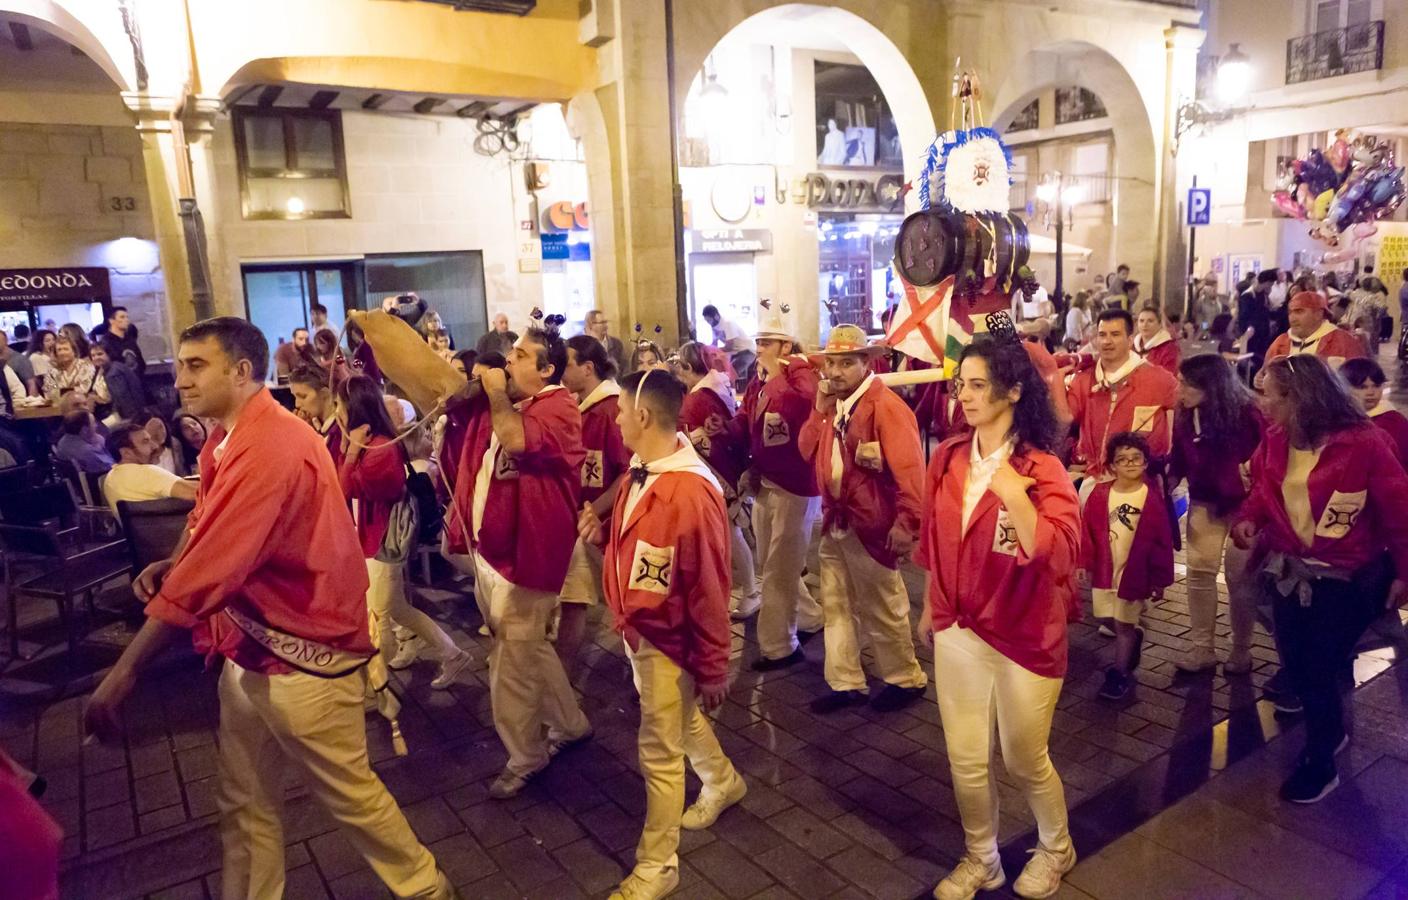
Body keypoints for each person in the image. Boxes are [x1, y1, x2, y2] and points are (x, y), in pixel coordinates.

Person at [82, 317, 454, 899]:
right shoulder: (229, 436)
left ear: (242, 371)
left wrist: (127, 668)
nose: (180, 380)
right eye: (181, 365)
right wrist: (174, 562)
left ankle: (426, 887)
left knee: (350, 794)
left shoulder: (270, 444)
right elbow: (206, 522)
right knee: (246, 797)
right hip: (253, 645)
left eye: (196, 365)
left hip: (307, 653)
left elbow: (216, 561)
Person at [917, 336, 1079, 900]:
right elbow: (931, 540)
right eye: (961, 383)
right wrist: (929, 606)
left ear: (1014, 390)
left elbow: (1060, 555)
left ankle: (1057, 845)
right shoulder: (948, 456)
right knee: (965, 757)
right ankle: (981, 857)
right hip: (957, 627)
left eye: (978, 384)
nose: (964, 395)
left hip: (1025, 633)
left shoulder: (1043, 468)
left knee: (1023, 758)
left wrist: (1017, 497)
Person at [577, 369, 746, 900]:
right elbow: (645, 550)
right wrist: (603, 536)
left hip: (666, 638)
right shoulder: (643, 467)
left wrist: (715, 666)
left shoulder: (690, 493)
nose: (618, 419)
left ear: (644, 416)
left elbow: (711, 588)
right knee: (678, 715)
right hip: (643, 631)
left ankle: (658, 865)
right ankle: (722, 780)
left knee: (658, 750)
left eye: (623, 411)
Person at [1232, 355, 1408, 803]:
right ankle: (1329, 732)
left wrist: (1405, 572)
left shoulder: (1365, 443)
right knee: (1298, 661)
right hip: (1293, 570)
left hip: (1351, 575)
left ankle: (1320, 758)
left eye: (1268, 393)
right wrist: (1249, 520)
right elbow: (1260, 491)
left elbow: (1399, 512)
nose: (1261, 401)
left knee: (1317, 665)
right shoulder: (1274, 440)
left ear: (1298, 398)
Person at [447, 328, 592, 799]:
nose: (509, 361)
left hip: (527, 558)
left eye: (521, 355)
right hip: (495, 553)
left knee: (510, 660)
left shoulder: (559, 407)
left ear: (547, 370)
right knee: (529, 648)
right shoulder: (517, 401)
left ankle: (526, 755)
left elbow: (514, 440)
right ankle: (570, 725)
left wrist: (492, 390)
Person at [797, 324, 928, 713]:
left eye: (846, 363)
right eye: (831, 363)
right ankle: (845, 681)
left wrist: (907, 524)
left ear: (865, 364)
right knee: (836, 604)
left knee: (884, 604)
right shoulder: (834, 405)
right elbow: (806, 448)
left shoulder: (886, 407)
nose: (835, 371)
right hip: (838, 522)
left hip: (873, 526)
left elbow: (910, 472)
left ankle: (906, 678)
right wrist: (818, 411)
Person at [333, 375, 471, 688]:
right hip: (373, 539)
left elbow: (346, 489)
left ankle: (377, 688)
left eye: (339, 404)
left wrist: (351, 451)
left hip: (383, 541)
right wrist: (348, 447)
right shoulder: (369, 442)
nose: (337, 410)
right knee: (394, 607)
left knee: (379, 615)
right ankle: (452, 653)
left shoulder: (380, 447)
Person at [736, 310, 825, 670]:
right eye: (758, 342)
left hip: (796, 484)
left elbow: (803, 404)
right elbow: (748, 420)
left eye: (767, 342)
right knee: (770, 563)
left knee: (780, 568)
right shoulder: (761, 378)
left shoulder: (801, 375)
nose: (760, 349)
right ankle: (808, 617)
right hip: (768, 480)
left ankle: (779, 645)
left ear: (786, 345)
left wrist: (778, 374)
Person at [1168, 353, 1266, 674]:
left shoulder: (1249, 414)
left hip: (1245, 506)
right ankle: (1203, 649)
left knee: (1240, 578)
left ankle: (1241, 649)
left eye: (1186, 384)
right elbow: (1178, 458)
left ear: (1210, 385)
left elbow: (1268, 459)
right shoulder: (1185, 414)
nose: (1179, 389)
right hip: (1204, 499)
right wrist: (1165, 485)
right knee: (1199, 571)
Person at [1080, 433, 1174, 701]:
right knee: (1104, 616)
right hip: (1106, 571)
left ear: (1146, 463)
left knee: (1122, 625)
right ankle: (1133, 635)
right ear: (1112, 465)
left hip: (1134, 574)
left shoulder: (1151, 498)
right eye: (1122, 460)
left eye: (1136, 459)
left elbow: (1161, 541)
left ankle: (1120, 673)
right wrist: (1083, 562)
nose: (1130, 464)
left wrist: (1160, 579)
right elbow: (1087, 532)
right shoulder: (1100, 495)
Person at [558, 334, 630, 675]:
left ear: (588, 368)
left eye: (567, 363)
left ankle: (647, 673)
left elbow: (628, 473)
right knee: (574, 601)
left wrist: (594, 510)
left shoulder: (609, 410)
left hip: (607, 524)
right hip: (584, 524)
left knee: (627, 603)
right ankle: (561, 674)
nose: (561, 369)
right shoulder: (581, 407)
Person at [674, 341, 759, 619]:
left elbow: (697, 436)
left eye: (680, 368)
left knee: (731, 535)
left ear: (688, 367)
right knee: (729, 534)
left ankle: (750, 592)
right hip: (722, 468)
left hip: (718, 473)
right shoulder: (712, 389)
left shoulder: (699, 397)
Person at [1067, 309, 1178, 483]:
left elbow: (1179, 426)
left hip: (1141, 481)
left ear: (1129, 340)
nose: (1107, 341)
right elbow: (1063, 421)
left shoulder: (1159, 379)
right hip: (1094, 478)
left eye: (1115, 334)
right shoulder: (1084, 379)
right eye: (1102, 335)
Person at [1256, 290, 1363, 386]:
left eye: (1299, 311)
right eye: (1290, 312)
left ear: (1318, 314)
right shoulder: (1280, 343)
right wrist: (1260, 380)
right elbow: (1265, 375)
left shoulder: (1344, 342)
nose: (1292, 318)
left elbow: (1362, 382)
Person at [102, 422, 198, 514]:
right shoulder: (145, 473)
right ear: (126, 453)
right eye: (145, 442)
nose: (155, 446)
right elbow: (198, 492)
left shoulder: (109, 479)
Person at [1339, 357, 1408, 469]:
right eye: (1362, 387)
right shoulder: (1339, 417)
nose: (1371, 393)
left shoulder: (1393, 422)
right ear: (1343, 388)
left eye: (1376, 386)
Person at [289, 365, 345, 471]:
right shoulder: (315, 425)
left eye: (303, 396)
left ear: (325, 394)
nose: (297, 404)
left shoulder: (340, 432)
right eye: (295, 397)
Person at [44, 335, 108, 405]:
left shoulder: (86, 366)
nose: (62, 353)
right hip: (58, 406)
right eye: (59, 350)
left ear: (74, 351)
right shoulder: (53, 371)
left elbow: (84, 389)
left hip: (83, 406)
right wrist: (64, 390)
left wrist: (60, 391)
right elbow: (49, 391)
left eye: (66, 349)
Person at [89, 343, 145, 421]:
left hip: (127, 416)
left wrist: (129, 422)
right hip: (116, 412)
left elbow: (124, 402)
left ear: (109, 354)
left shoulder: (114, 373)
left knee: (96, 429)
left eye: (100, 354)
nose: (96, 358)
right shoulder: (104, 369)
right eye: (93, 355)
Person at [1236, 269, 1279, 372]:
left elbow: (1266, 312)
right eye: (1271, 284)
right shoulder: (1247, 296)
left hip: (1262, 335)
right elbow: (1243, 318)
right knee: (1253, 365)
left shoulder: (1263, 295)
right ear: (1266, 282)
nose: (1271, 287)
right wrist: (1249, 330)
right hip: (1252, 336)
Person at [702, 304, 757, 380]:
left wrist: (714, 350)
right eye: (706, 320)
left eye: (709, 320)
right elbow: (714, 344)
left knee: (732, 372)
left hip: (747, 351)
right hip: (736, 353)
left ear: (716, 316)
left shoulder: (728, 323)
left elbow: (729, 346)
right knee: (725, 370)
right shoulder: (714, 326)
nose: (708, 323)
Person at [54, 410, 113, 474]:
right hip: (96, 480)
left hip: (74, 480)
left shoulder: (63, 441)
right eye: (93, 423)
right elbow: (108, 467)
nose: (96, 426)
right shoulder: (87, 451)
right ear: (84, 429)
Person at [99, 306, 146, 376]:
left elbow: (140, 362)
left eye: (127, 317)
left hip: (136, 380)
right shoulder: (106, 342)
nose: (126, 320)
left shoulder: (130, 340)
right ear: (111, 321)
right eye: (122, 317)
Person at [1132, 306, 1180, 376]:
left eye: (1150, 321)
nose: (1145, 325)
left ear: (1160, 324)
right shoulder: (1131, 346)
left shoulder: (1169, 348)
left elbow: (1168, 377)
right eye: (1141, 321)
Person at [585, 308, 628, 375]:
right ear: (591, 325)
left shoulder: (616, 344)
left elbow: (625, 368)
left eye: (606, 322)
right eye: (602, 322)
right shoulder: (585, 346)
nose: (606, 326)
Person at [0, 331, 36, 396]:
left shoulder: (19, 359)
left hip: (19, 400)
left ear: (6, 341)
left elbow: (31, 384)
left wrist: (31, 402)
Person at [172, 412, 207, 477]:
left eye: (194, 423)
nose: (192, 428)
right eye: (186, 428)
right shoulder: (183, 457)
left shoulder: (215, 444)